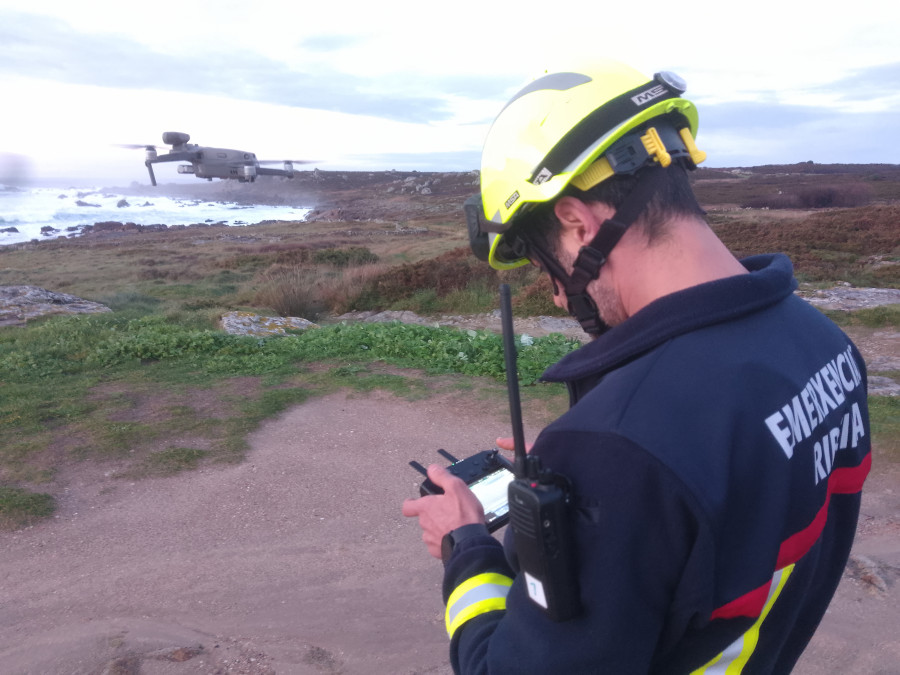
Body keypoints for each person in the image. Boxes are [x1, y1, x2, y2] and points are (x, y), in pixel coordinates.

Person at [402, 59, 872, 674]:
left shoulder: (627, 447)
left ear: (577, 221)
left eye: (546, 263)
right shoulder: (821, 342)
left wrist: (466, 548)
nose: (553, 292)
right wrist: (602, 478)